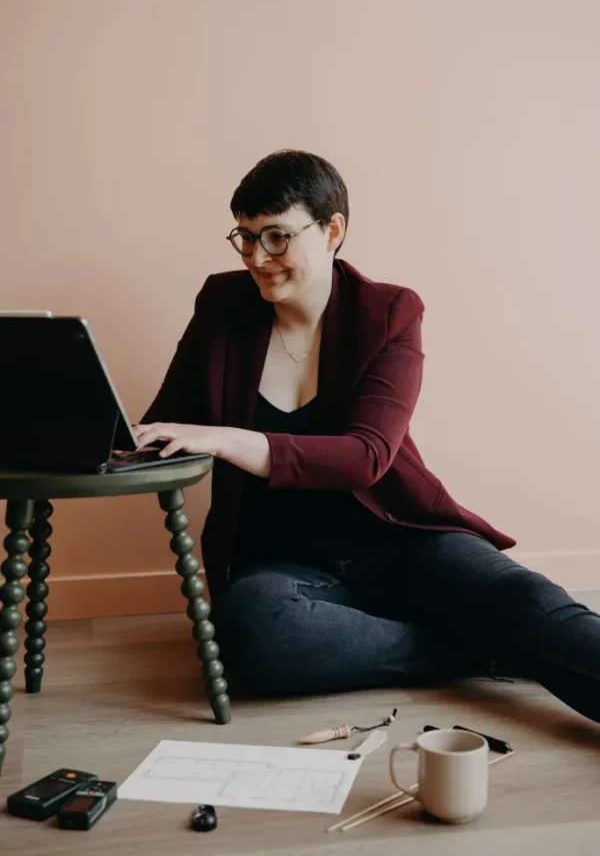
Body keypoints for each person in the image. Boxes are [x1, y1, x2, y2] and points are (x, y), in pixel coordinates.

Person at [138, 149, 600, 723]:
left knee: (526, 600)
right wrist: (96, 435)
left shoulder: (390, 312)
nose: (258, 257)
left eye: (278, 237)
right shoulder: (223, 305)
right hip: (283, 561)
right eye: (246, 237)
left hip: (400, 537)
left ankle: (488, 633)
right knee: (254, 627)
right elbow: (164, 423)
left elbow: (366, 457)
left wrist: (231, 440)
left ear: (333, 230)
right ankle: (473, 648)